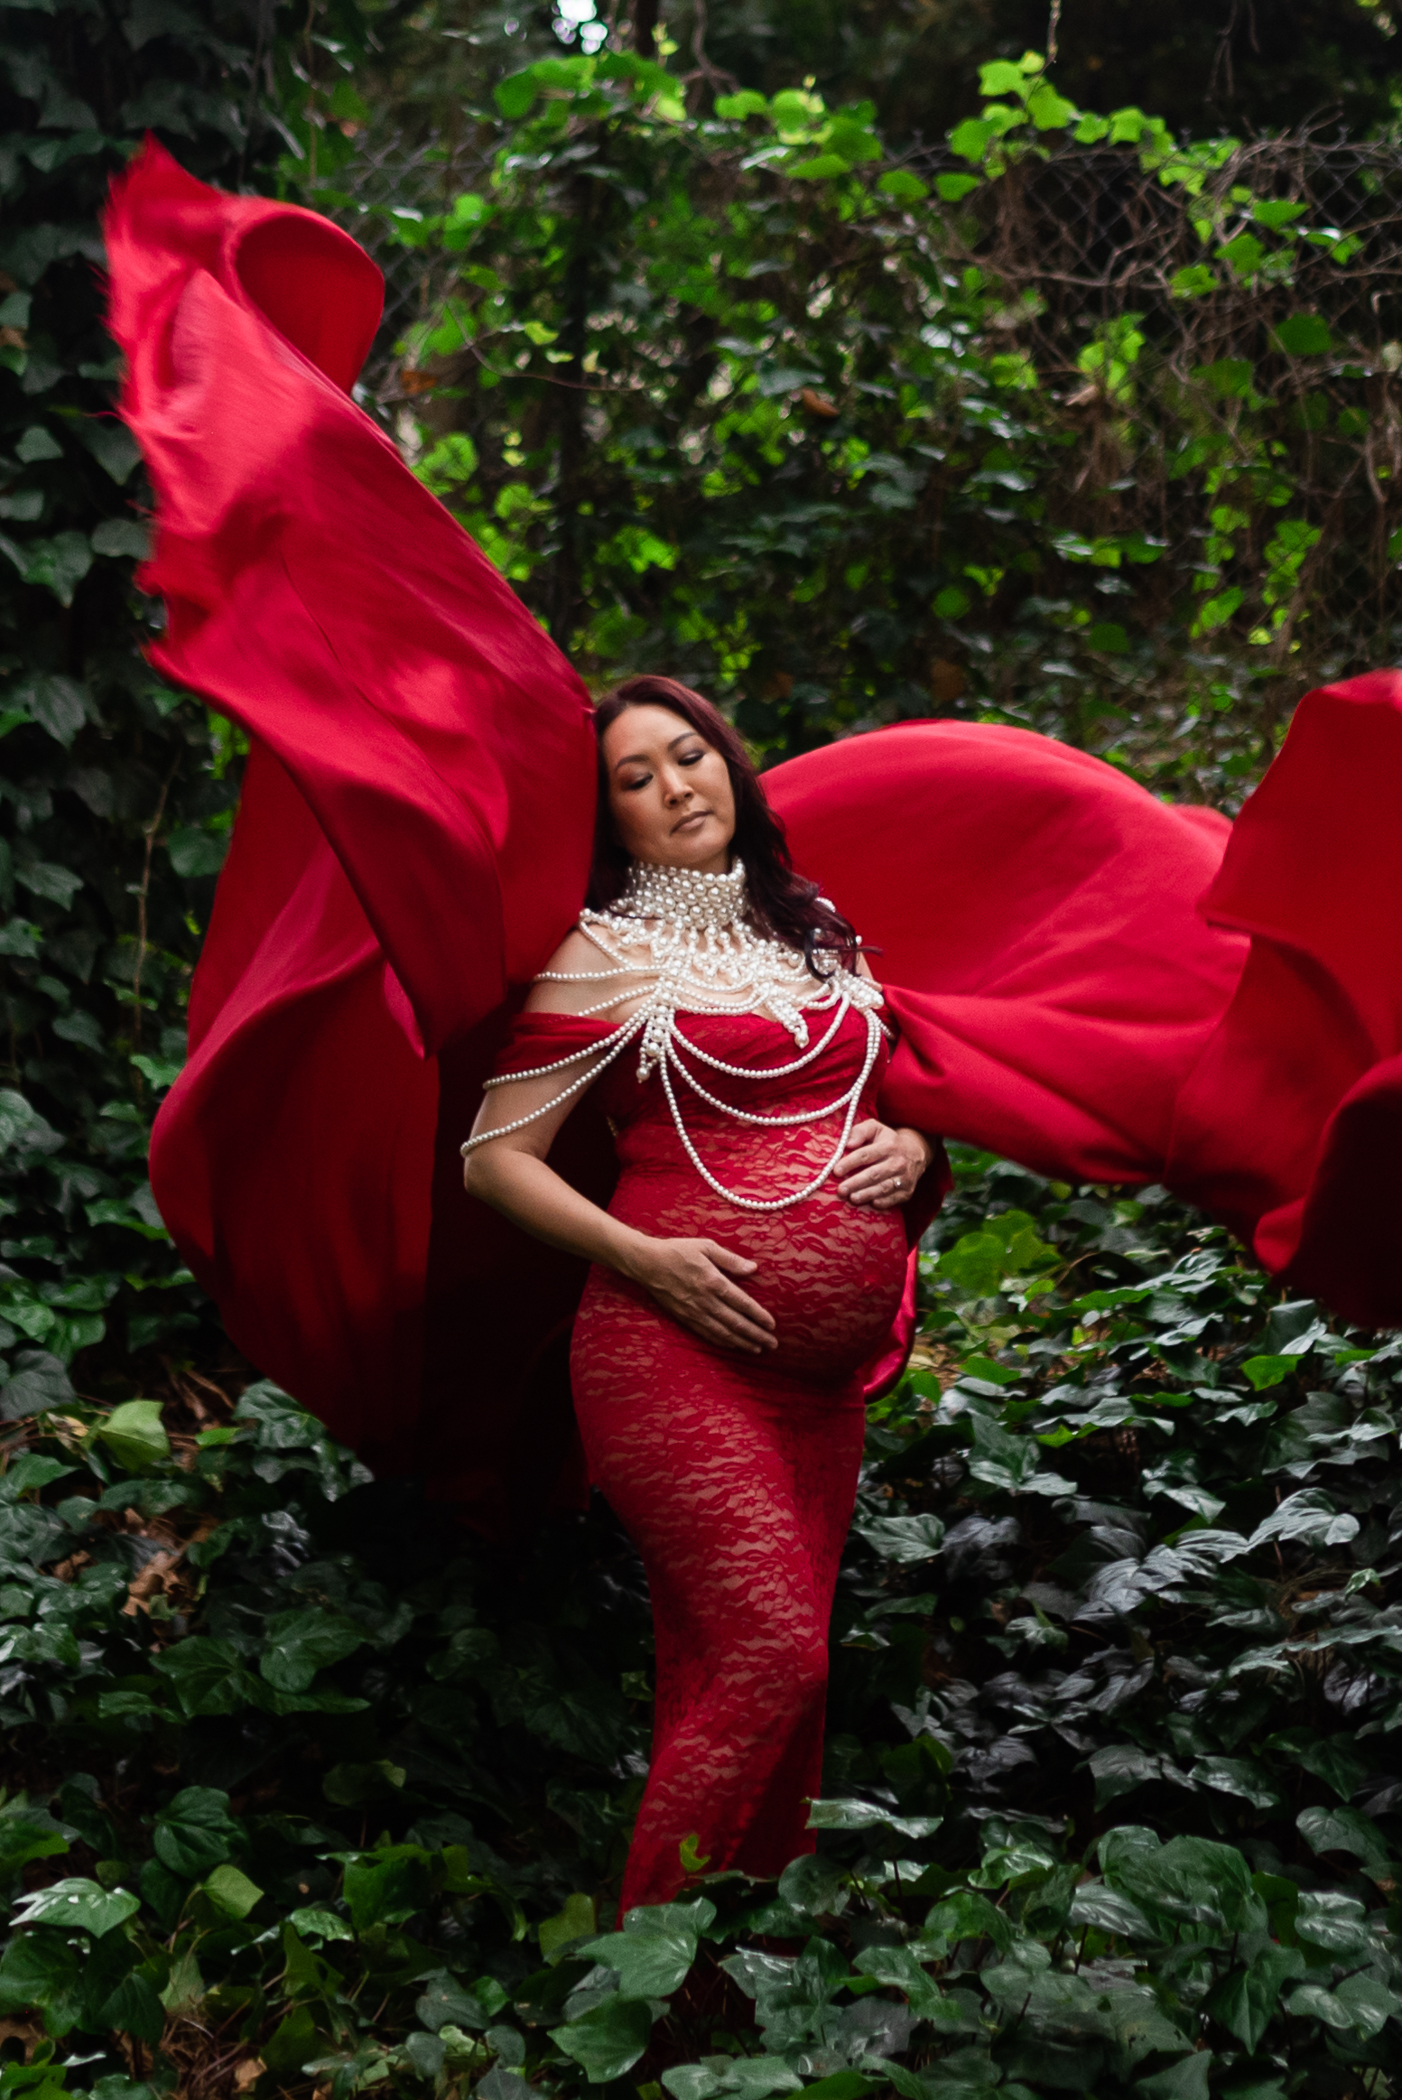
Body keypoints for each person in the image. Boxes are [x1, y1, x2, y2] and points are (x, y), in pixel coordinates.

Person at [461, 677, 943, 1905]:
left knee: (758, 1676)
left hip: (821, 1386)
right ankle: (641, 1985)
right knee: (772, 1658)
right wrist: (645, 1260)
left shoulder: (816, 928)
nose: (677, 787)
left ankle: (730, 2003)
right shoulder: (607, 954)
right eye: (637, 777)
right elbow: (493, 1160)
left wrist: (917, 1149)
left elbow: (880, 1099)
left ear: (731, 764)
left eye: (691, 756)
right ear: (610, 817)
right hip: (671, 1352)